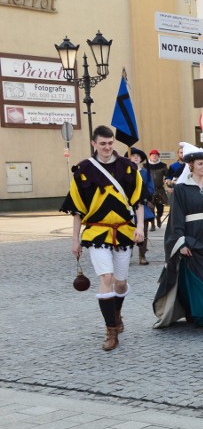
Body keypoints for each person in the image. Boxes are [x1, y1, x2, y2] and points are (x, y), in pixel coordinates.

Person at [60, 125, 145, 351]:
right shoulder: (83, 170)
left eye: (110, 143)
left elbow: (138, 201)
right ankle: (111, 331)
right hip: (97, 232)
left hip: (124, 232)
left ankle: (116, 313)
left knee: (120, 282)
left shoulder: (128, 168)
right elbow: (77, 210)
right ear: (94, 144)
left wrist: (140, 227)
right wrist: (75, 240)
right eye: (103, 144)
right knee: (105, 277)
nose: (107, 148)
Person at [153, 144, 203, 334]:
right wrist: (180, 242)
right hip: (192, 239)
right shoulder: (181, 190)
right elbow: (176, 218)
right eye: (200, 164)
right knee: (200, 282)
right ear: (191, 165)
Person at [127, 147, 154, 265]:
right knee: (127, 230)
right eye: (133, 155)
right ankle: (127, 254)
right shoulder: (125, 172)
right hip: (128, 205)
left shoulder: (145, 173)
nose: (136, 157)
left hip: (142, 203)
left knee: (143, 231)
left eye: (138, 156)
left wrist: (144, 196)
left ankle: (142, 255)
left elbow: (150, 187)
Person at [146, 149, 168, 229]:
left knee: (160, 208)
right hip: (150, 190)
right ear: (150, 156)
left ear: (158, 156)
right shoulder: (145, 166)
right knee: (151, 207)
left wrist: (167, 183)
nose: (154, 156)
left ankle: (158, 217)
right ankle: (152, 225)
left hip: (160, 190)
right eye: (153, 155)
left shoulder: (163, 166)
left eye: (156, 155)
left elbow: (167, 176)